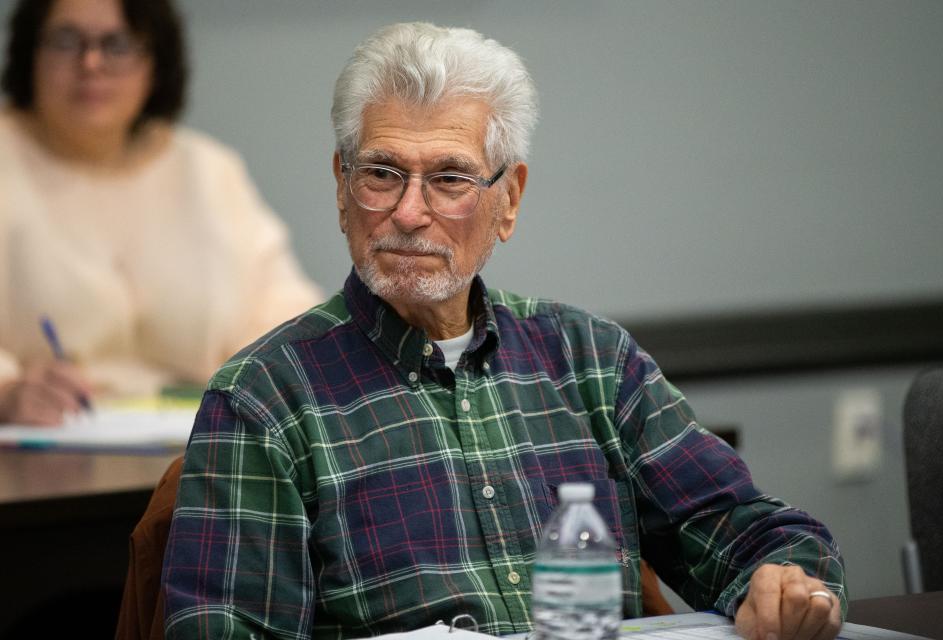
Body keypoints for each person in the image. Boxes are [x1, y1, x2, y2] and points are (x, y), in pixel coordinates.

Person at [162, 22, 846, 640]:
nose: (408, 212)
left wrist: (787, 582)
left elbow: (750, 532)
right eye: (381, 174)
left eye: (450, 178)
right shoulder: (265, 399)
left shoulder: (592, 363)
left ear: (508, 200)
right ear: (342, 187)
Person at [0, 0, 322, 426]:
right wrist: (5, 393)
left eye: (117, 44)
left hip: (204, 447)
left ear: (155, 61)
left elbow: (288, 316)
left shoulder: (208, 170)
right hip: (38, 454)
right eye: (65, 41)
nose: (91, 62)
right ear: (29, 53)